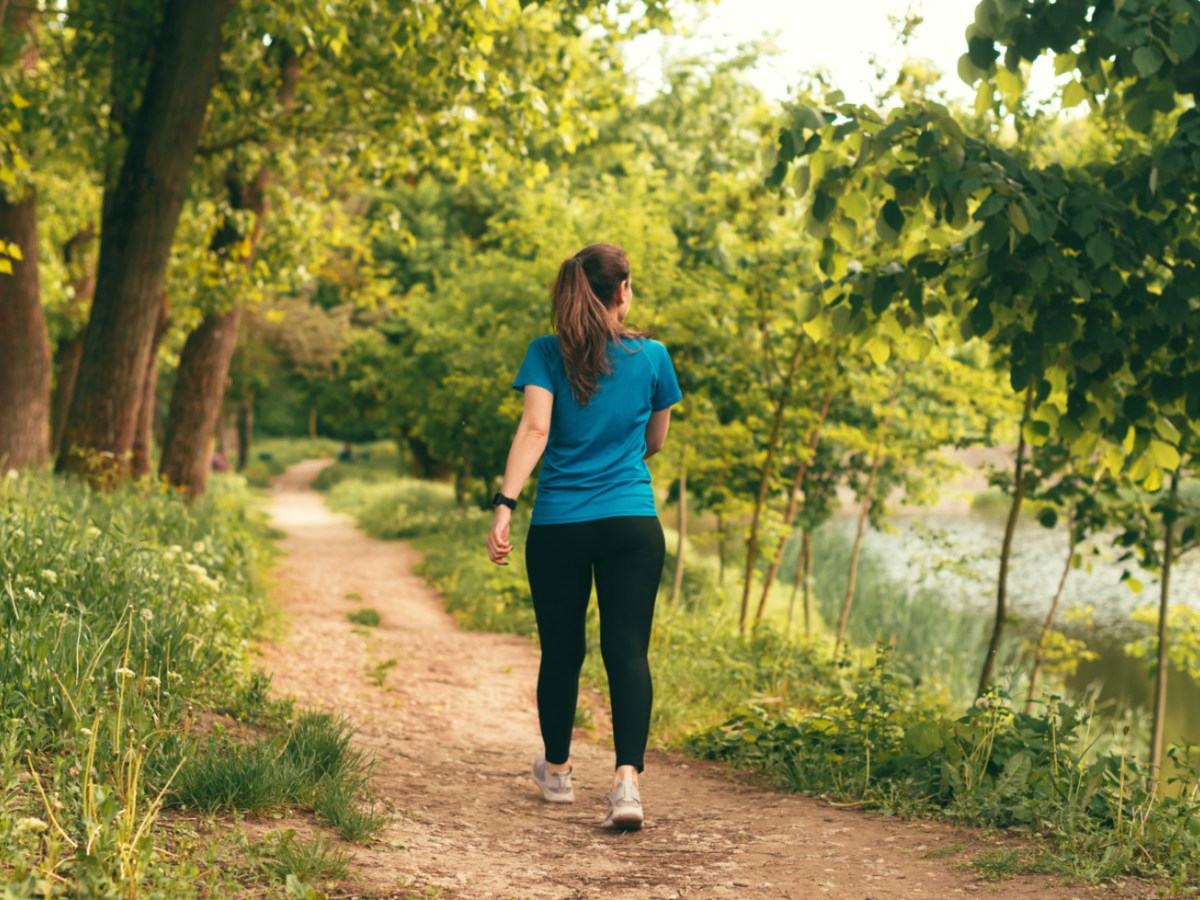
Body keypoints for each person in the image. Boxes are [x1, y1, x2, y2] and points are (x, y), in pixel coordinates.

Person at [486, 243, 681, 831]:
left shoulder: (545, 354)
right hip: (631, 523)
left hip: (559, 526)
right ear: (622, 290)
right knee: (627, 650)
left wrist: (505, 504)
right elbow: (656, 441)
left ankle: (560, 772)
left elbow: (536, 428)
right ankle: (626, 784)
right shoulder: (653, 357)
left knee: (563, 649)